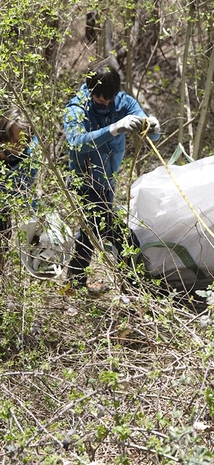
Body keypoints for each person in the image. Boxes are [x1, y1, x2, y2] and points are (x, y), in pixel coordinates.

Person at [64, 58, 161, 295]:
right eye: (101, 98)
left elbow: (148, 130)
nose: (106, 103)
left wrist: (153, 126)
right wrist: (113, 128)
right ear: (91, 90)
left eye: (110, 98)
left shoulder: (124, 103)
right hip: (84, 182)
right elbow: (76, 142)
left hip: (107, 183)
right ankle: (136, 287)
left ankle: (74, 286)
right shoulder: (77, 108)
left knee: (90, 233)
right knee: (117, 234)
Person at [0, 104, 38, 265]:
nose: (21, 147)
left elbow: (28, 187)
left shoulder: (31, 153)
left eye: (25, 141)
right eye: (16, 141)